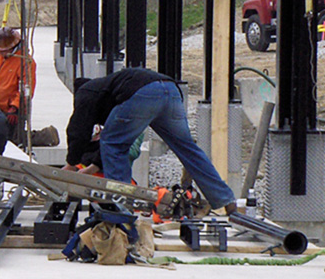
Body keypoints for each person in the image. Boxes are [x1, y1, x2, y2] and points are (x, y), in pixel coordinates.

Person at [62, 68, 237, 213]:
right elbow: (122, 135)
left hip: (144, 93)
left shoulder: (86, 92)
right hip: (170, 90)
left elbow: (78, 130)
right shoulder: (112, 91)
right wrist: (92, 168)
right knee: (188, 149)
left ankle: (121, 208)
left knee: (113, 144)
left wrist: (70, 165)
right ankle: (227, 201)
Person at [0, 26, 38, 144]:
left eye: (4, 50)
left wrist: (15, 107)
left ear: (14, 47)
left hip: (12, 106)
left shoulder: (25, 62)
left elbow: (27, 88)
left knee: (14, 139)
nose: (1, 53)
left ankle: (47, 135)